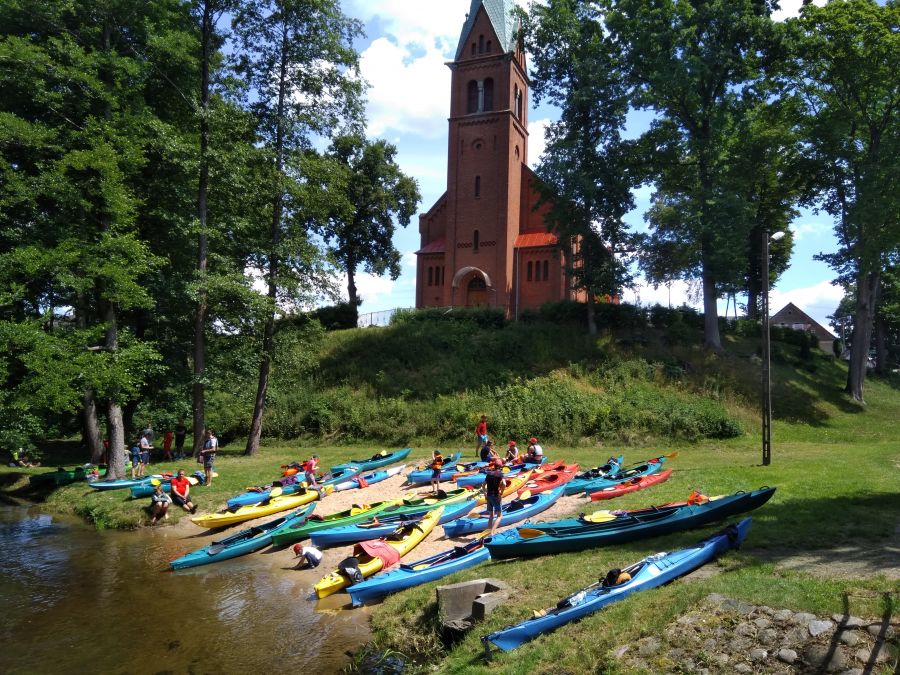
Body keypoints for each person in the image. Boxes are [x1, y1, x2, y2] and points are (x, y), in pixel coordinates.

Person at [484, 458, 509, 536]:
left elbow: (483, 485)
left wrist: (485, 494)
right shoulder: (501, 474)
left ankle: (488, 532)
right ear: (501, 466)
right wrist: (501, 493)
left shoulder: (489, 473)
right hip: (496, 495)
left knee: (491, 515)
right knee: (499, 516)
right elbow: (504, 484)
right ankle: (492, 533)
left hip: (488, 495)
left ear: (494, 465)